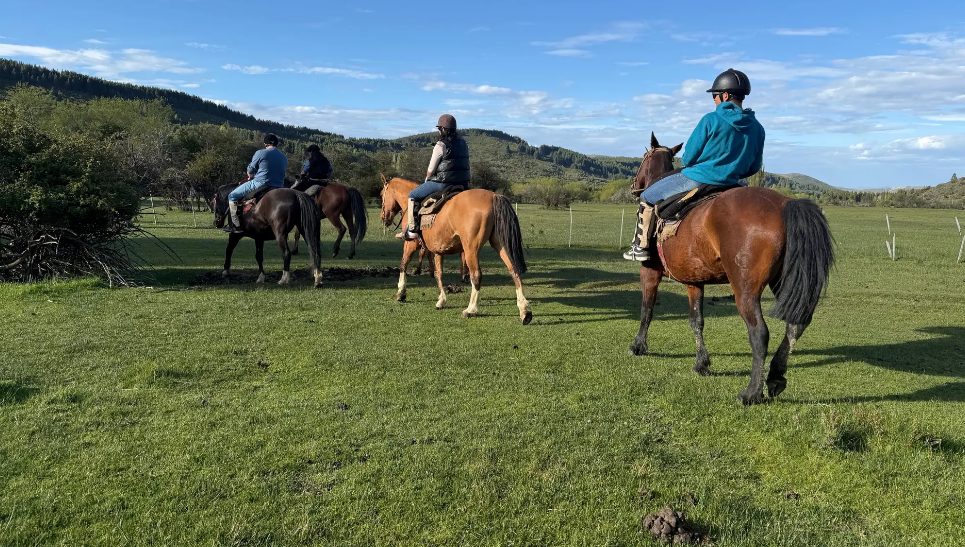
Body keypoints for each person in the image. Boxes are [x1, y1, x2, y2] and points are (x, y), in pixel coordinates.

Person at [624, 69, 765, 261]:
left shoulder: (711, 119)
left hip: (700, 178)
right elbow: (754, 167)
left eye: (715, 96)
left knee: (647, 196)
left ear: (724, 96)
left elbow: (688, 158)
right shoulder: (757, 127)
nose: (714, 100)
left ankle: (640, 247)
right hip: (734, 183)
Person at [397, 114, 471, 240]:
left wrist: (428, 178)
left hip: (443, 183)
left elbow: (430, 170)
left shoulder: (441, 145)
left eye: (439, 129)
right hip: (463, 184)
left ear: (442, 129)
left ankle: (412, 230)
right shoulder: (464, 143)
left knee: (413, 195)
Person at [226, 133, 289, 233]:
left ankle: (236, 225)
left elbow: (251, 168)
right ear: (276, 144)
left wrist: (250, 174)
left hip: (261, 183)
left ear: (265, 144)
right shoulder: (284, 157)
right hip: (279, 186)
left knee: (232, 196)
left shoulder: (261, 153)